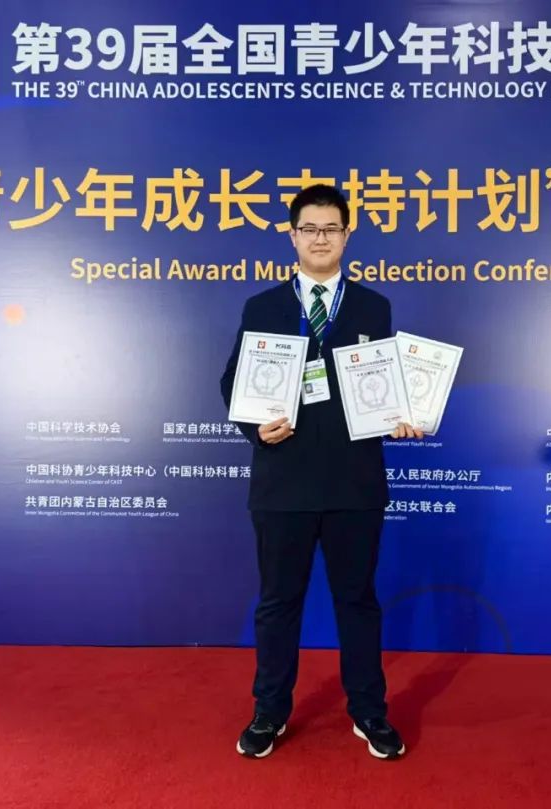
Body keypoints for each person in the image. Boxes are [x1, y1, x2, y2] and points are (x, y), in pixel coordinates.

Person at [220, 184, 423, 760]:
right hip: (282, 480)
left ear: (347, 235)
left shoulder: (372, 307)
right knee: (278, 603)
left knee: (357, 601)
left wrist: (402, 416)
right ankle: (269, 712)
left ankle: (369, 710)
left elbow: (384, 387)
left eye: (331, 229)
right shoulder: (263, 306)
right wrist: (255, 429)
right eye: (309, 228)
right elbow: (233, 383)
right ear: (292, 236)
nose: (320, 238)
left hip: (354, 481)